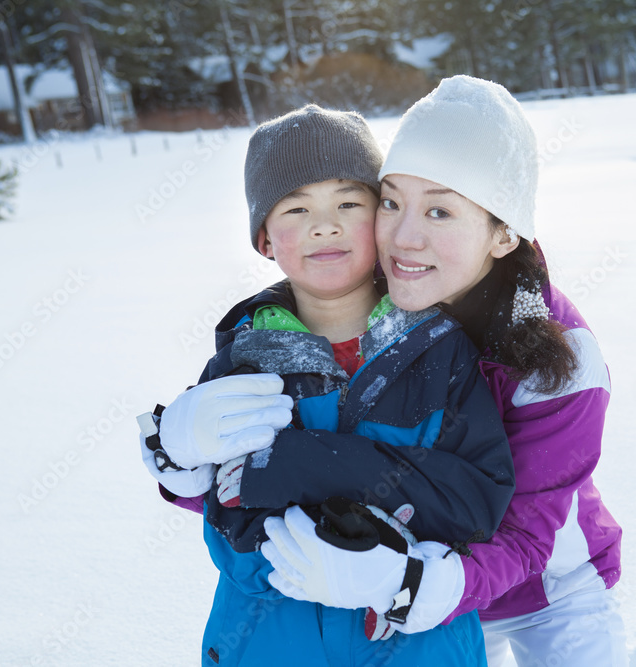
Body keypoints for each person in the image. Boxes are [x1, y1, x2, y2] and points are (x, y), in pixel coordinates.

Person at [260, 76, 628, 667]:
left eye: (440, 209)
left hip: (546, 592)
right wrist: (187, 464)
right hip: (406, 596)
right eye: (391, 201)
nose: (404, 237)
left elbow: (529, 536)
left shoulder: (562, 359)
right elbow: (299, 457)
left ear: (503, 232)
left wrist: (412, 585)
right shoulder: (370, 310)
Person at [138, 104, 516, 666]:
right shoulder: (245, 360)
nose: (325, 224)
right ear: (265, 238)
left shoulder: (441, 348)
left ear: (381, 219)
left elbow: (476, 500)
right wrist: (295, 568)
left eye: (348, 202)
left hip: (414, 646)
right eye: (295, 208)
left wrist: (384, 566)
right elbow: (228, 512)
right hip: (271, 641)